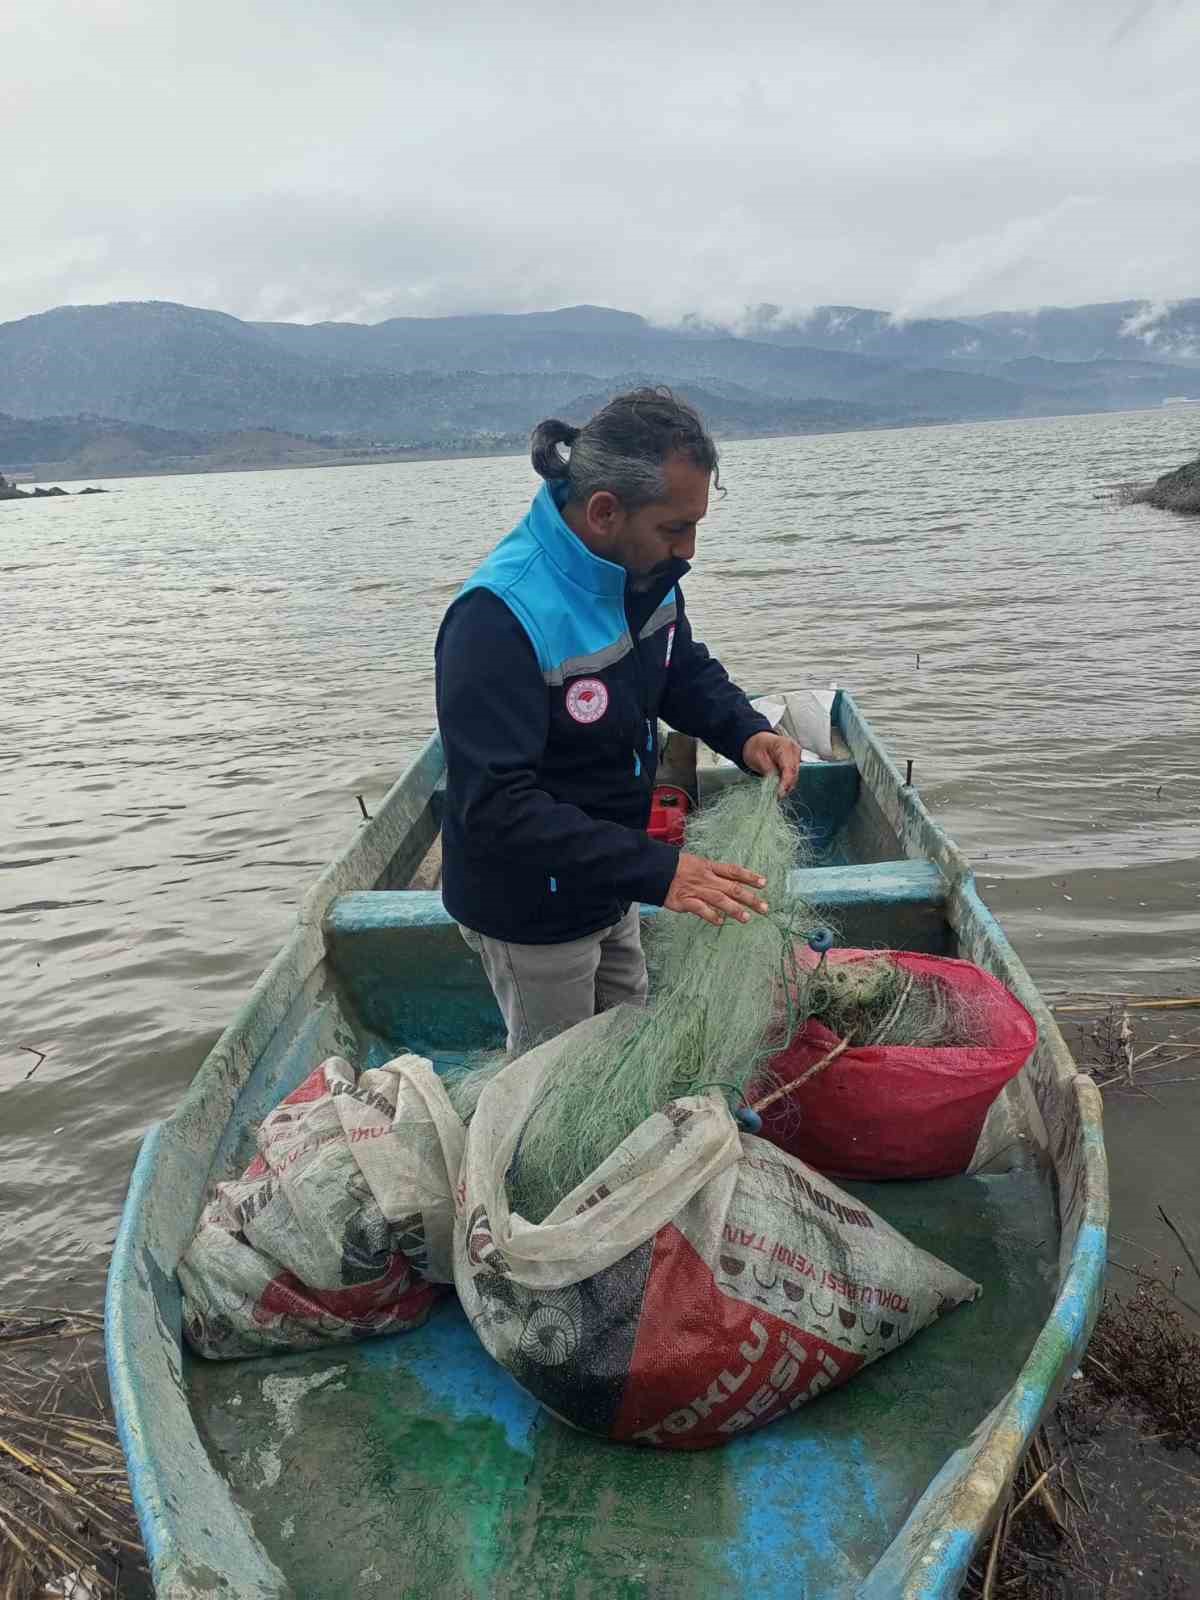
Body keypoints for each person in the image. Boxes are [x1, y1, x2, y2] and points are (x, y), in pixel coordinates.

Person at [435, 387, 802, 1055]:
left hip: (613, 879)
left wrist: (747, 731)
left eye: (694, 526)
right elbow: (496, 809)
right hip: (531, 908)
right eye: (674, 528)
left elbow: (680, 670)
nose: (688, 550)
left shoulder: (641, 572)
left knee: (627, 1034)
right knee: (556, 1075)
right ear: (605, 511)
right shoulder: (497, 618)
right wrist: (662, 871)